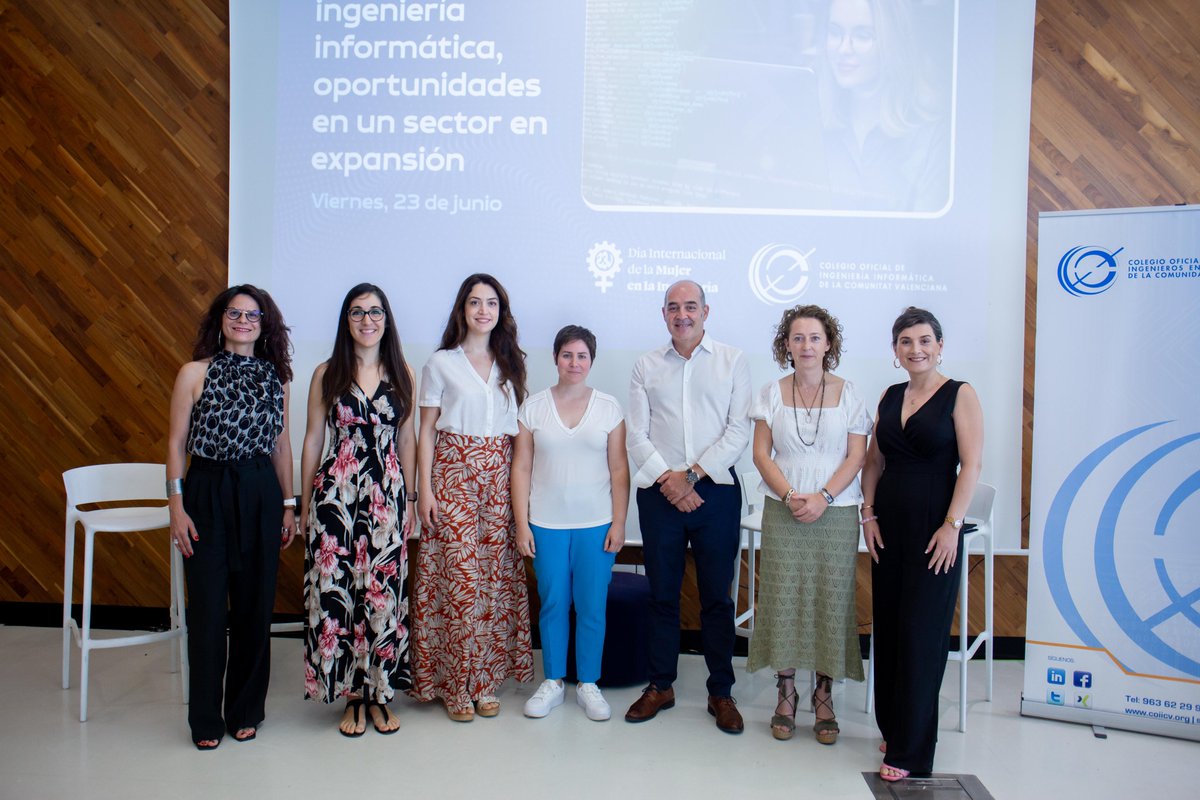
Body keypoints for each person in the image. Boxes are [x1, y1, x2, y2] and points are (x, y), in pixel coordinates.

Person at [166, 284, 295, 750]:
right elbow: (176, 443)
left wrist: (287, 504)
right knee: (206, 609)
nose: (243, 321)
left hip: (260, 489)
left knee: (254, 606)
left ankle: (245, 711)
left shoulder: (275, 376)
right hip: (206, 489)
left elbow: (281, 445)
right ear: (220, 319)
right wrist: (176, 506)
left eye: (253, 315)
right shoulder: (193, 372)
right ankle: (205, 720)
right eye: (234, 313)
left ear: (265, 324)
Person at [861, 307, 983, 781]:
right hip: (888, 526)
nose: (916, 349)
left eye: (925, 340)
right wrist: (867, 514)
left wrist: (952, 525)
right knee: (889, 629)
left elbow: (970, 465)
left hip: (935, 529)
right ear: (895, 350)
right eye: (906, 341)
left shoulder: (960, 394)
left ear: (940, 345)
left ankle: (912, 751)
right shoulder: (891, 395)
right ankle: (894, 726)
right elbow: (873, 462)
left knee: (921, 635)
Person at [624, 280, 752, 734]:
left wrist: (691, 477)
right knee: (663, 594)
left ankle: (721, 692)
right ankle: (661, 685)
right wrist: (670, 480)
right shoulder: (645, 365)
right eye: (674, 308)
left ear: (706, 311)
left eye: (691, 307)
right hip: (659, 492)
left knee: (717, 597)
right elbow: (636, 434)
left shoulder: (733, 361)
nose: (683, 315)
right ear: (664, 314)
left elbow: (738, 432)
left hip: (714, 491)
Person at [410, 274, 534, 720]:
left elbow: (520, 437)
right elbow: (424, 430)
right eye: (475, 303)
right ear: (462, 309)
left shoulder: (512, 364)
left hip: (500, 478)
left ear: (501, 311)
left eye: (492, 303)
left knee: (493, 583)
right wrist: (422, 489)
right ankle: (453, 683)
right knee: (458, 581)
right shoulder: (440, 362)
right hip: (452, 474)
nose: (484, 311)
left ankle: (483, 681)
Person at [746, 305, 870, 744]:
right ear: (786, 345)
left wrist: (824, 497)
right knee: (783, 599)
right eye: (797, 338)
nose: (806, 346)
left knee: (829, 601)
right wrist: (791, 496)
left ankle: (823, 695)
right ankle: (785, 693)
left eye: (814, 337)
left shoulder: (851, 393)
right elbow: (762, 455)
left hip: (836, 513)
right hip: (784, 508)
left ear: (828, 344)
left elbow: (857, 456)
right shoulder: (770, 393)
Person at [299, 283, 417, 737]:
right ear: (346, 321)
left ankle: (380, 693)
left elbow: (406, 439)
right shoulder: (327, 372)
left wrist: (408, 502)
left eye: (375, 312)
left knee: (382, 595)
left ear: (386, 320)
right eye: (357, 312)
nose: (367, 321)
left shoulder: (402, 371)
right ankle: (353, 695)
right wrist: (305, 503)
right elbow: (312, 439)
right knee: (339, 596)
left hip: (387, 499)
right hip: (337, 500)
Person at [512, 325, 629, 721]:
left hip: (596, 524)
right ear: (556, 359)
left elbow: (619, 469)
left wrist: (619, 522)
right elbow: (522, 467)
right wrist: (522, 524)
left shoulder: (609, 408)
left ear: (591, 361)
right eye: (567, 355)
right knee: (554, 603)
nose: (574, 363)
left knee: (592, 605)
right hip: (546, 524)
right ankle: (554, 681)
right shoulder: (533, 408)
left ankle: (589, 684)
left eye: (582, 356)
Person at [818, 0, 951, 212]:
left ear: (895, 43)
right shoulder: (811, 123)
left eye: (862, 36)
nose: (843, 48)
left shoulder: (932, 137)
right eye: (835, 33)